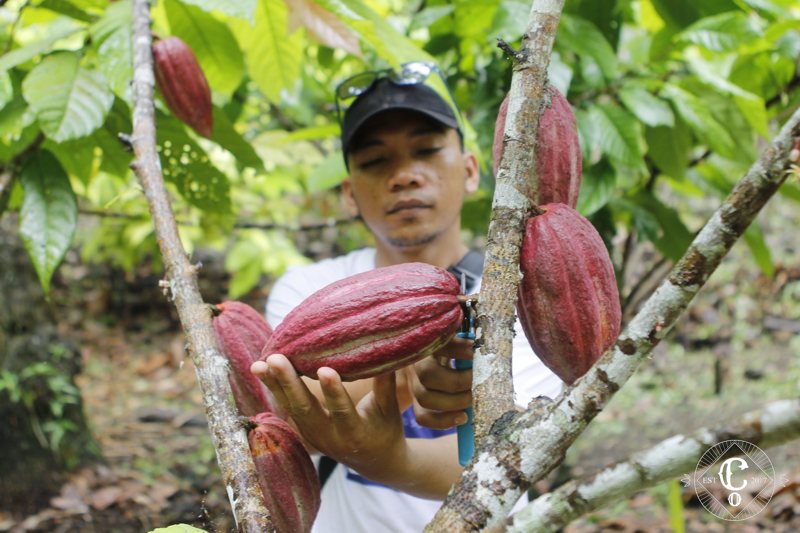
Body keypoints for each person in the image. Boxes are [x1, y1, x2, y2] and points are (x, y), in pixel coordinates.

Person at [251, 61, 563, 533]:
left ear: (471, 170)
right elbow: (297, 420)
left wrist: (391, 459)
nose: (404, 176)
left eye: (427, 149)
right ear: (349, 194)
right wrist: (407, 362)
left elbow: (518, 460)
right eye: (376, 161)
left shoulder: (518, 298)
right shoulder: (306, 289)